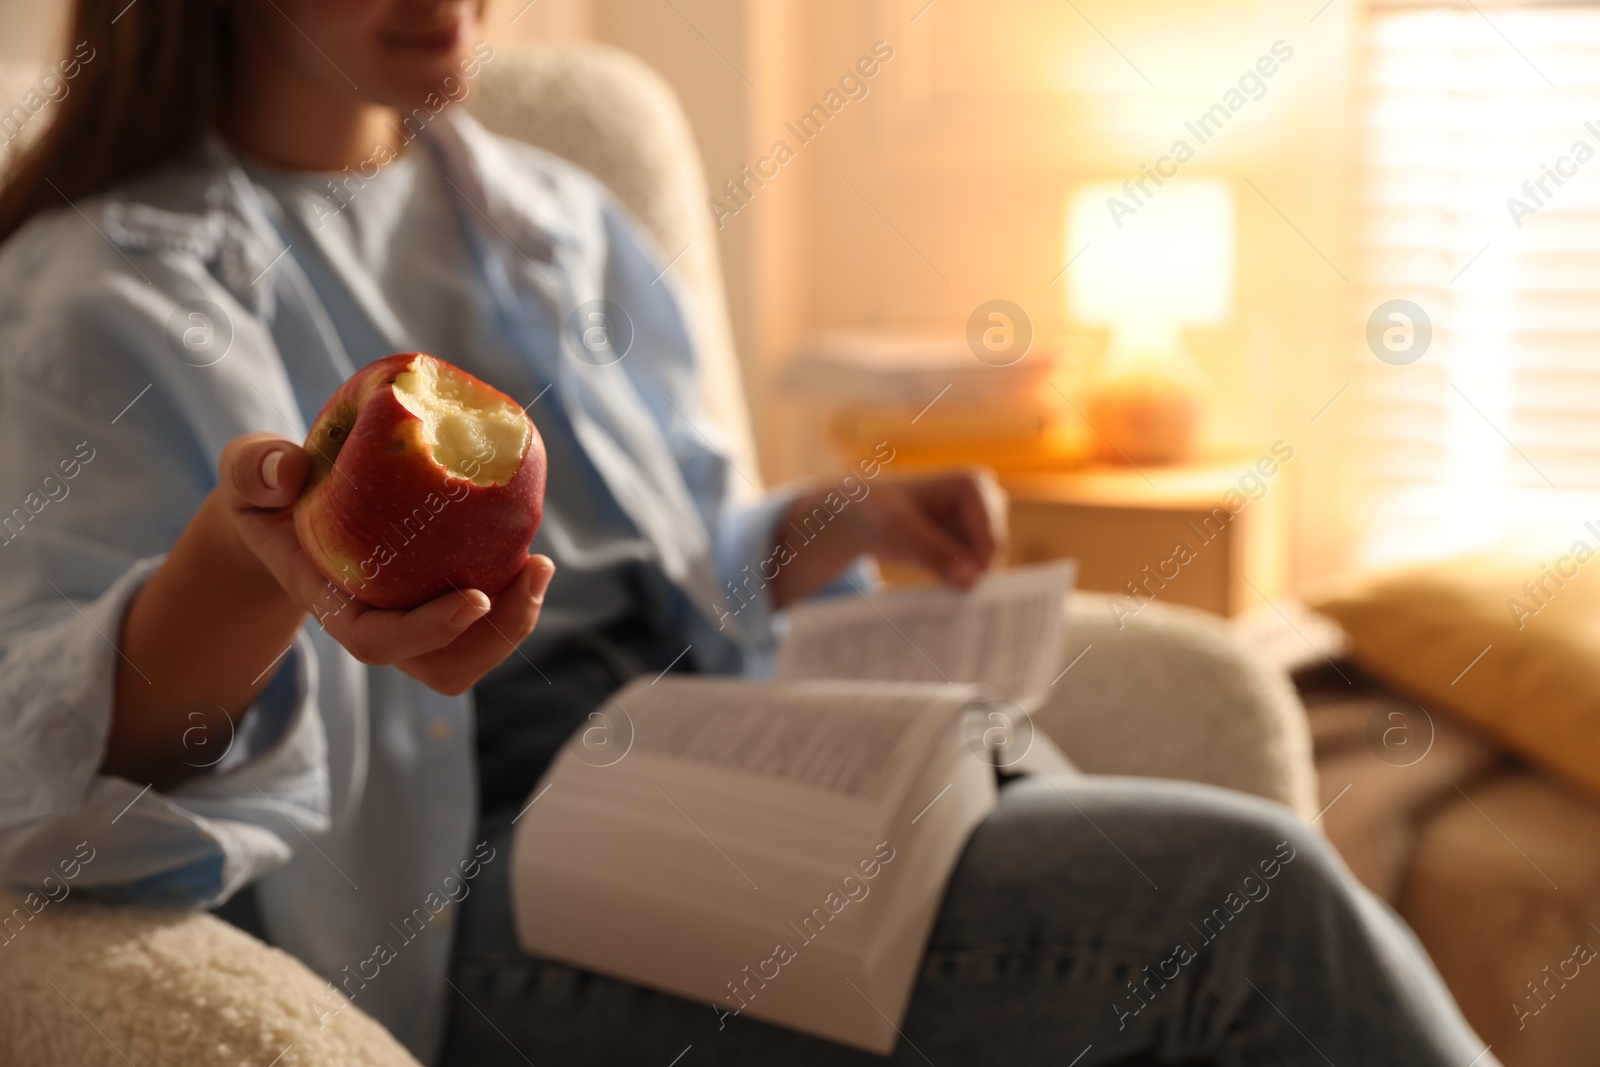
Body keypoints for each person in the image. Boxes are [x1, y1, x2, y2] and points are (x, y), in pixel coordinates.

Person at [0, 2, 1499, 1065]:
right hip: (482, 878)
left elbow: (657, 559)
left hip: (712, 768)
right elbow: (50, 764)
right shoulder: (102, 293)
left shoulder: (559, 219)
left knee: (1153, 878)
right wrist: (241, 566)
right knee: (1241, 905)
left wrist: (823, 524)